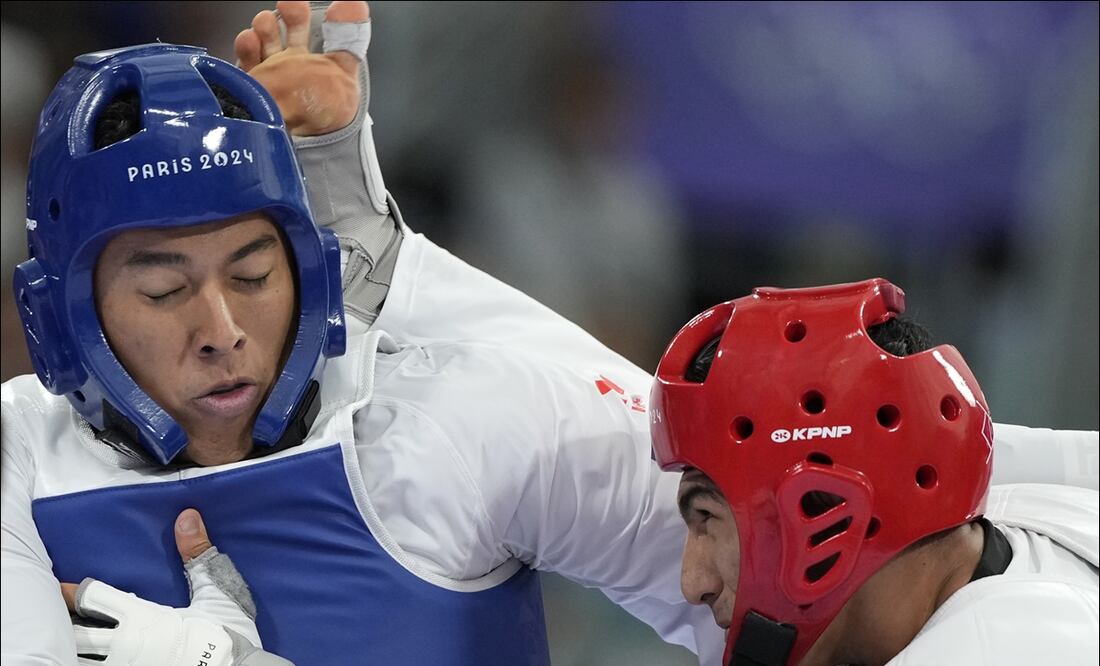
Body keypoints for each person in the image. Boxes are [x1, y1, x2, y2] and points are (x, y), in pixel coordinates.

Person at [2, 2, 1096, 665]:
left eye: (255, 271)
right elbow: (789, 486)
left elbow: (772, 511)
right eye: (161, 291)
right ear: (61, 306)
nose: (221, 330)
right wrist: (386, 260)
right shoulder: (14, 458)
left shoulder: (457, 421)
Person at [652, 279, 1098, 665]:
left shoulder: (1002, 649)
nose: (693, 584)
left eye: (707, 517)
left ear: (822, 513)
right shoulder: (1046, 511)